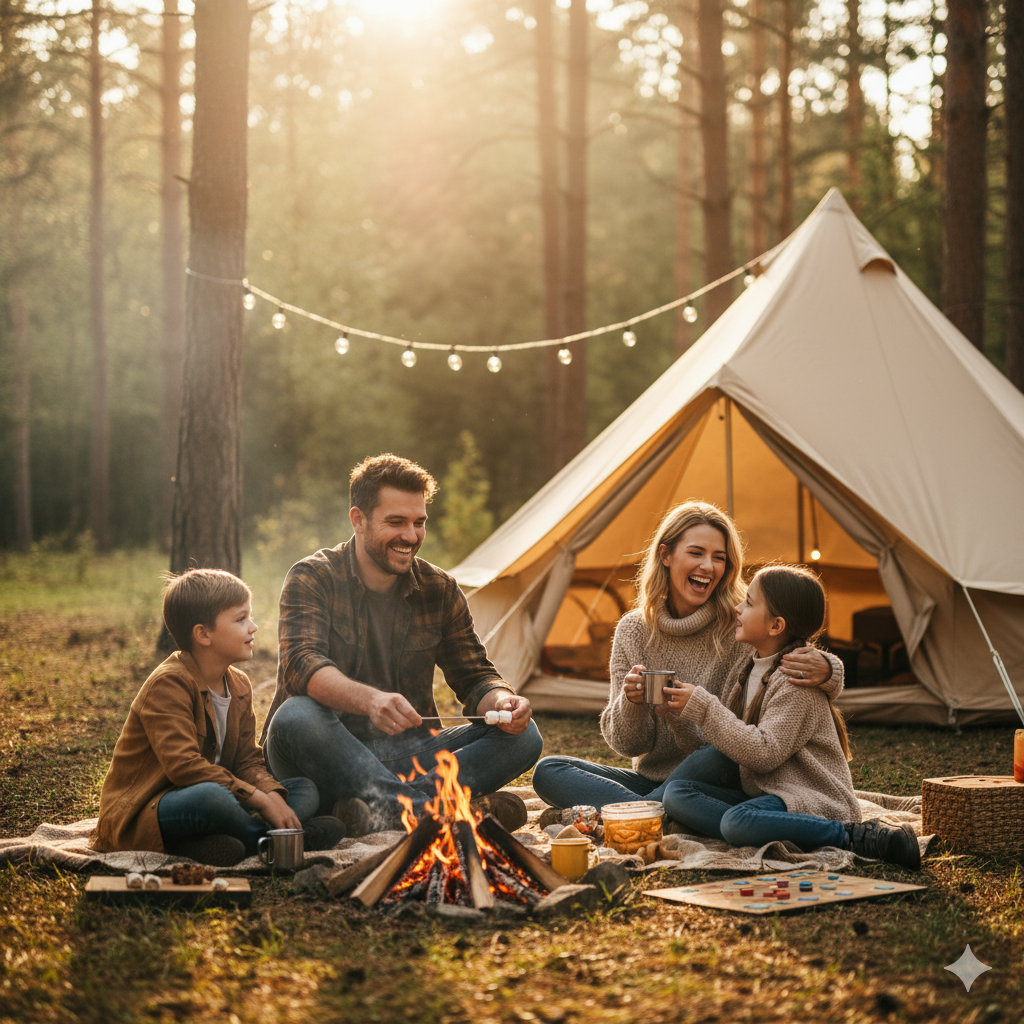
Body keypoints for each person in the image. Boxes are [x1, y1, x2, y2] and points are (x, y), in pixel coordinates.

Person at [261, 454, 543, 834]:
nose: (410, 536)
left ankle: (383, 808)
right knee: (296, 716)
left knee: (524, 735)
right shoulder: (313, 577)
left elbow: (476, 675)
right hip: (324, 754)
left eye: (419, 523)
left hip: (407, 753)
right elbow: (302, 664)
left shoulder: (439, 589)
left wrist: (502, 701)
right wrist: (371, 700)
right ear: (358, 520)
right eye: (396, 522)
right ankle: (443, 809)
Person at [532, 501, 844, 814]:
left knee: (712, 756)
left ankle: (642, 812)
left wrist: (830, 668)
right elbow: (628, 746)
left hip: (717, 776)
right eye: (696, 553)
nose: (708, 566)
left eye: (719, 558)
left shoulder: (740, 626)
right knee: (549, 770)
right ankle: (652, 810)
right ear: (666, 555)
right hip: (654, 780)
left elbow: (792, 659)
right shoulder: (633, 630)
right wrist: (632, 702)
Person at [660, 565, 921, 869]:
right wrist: (680, 714)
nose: (737, 607)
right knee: (676, 794)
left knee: (736, 823)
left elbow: (764, 753)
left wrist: (704, 707)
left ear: (776, 626)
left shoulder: (795, 681)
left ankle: (851, 835)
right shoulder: (751, 668)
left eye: (749, 602)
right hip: (767, 793)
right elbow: (730, 741)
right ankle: (763, 826)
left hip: (808, 797)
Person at [93, 569, 342, 866]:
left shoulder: (238, 685)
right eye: (240, 619)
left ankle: (213, 844)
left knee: (303, 789)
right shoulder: (169, 684)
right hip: (153, 808)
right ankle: (274, 840)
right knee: (212, 799)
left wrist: (271, 794)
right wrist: (260, 799)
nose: (253, 627)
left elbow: (247, 760)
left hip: (221, 793)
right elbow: (184, 769)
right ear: (203, 634)